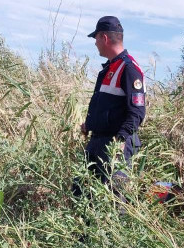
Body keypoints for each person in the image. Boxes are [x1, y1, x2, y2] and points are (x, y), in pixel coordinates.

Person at [72, 16, 146, 199]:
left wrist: (120, 140)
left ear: (104, 38)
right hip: (98, 142)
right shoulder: (110, 68)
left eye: (96, 38)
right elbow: (107, 106)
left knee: (113, 200)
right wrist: (90, 124)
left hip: (115, 145)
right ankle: (85, 228)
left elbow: (137, 112)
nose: (95, 43)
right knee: (81, 193)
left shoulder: (129, 69)